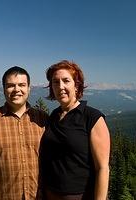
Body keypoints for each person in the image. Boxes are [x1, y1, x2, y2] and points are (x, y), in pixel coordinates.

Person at [0, 66, 48, 200]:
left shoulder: (42, 119)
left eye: (22, 85)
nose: (17, 89)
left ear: (29, 88)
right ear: (4, 89)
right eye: (11, 85)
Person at [39, 60, 110, 200]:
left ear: (77, 85)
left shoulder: (92, 118)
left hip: (80, 195)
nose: (60, 87)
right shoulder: (53, 116)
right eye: (55, 82)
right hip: (50, 194)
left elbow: (103, 168)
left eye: (66, 81)